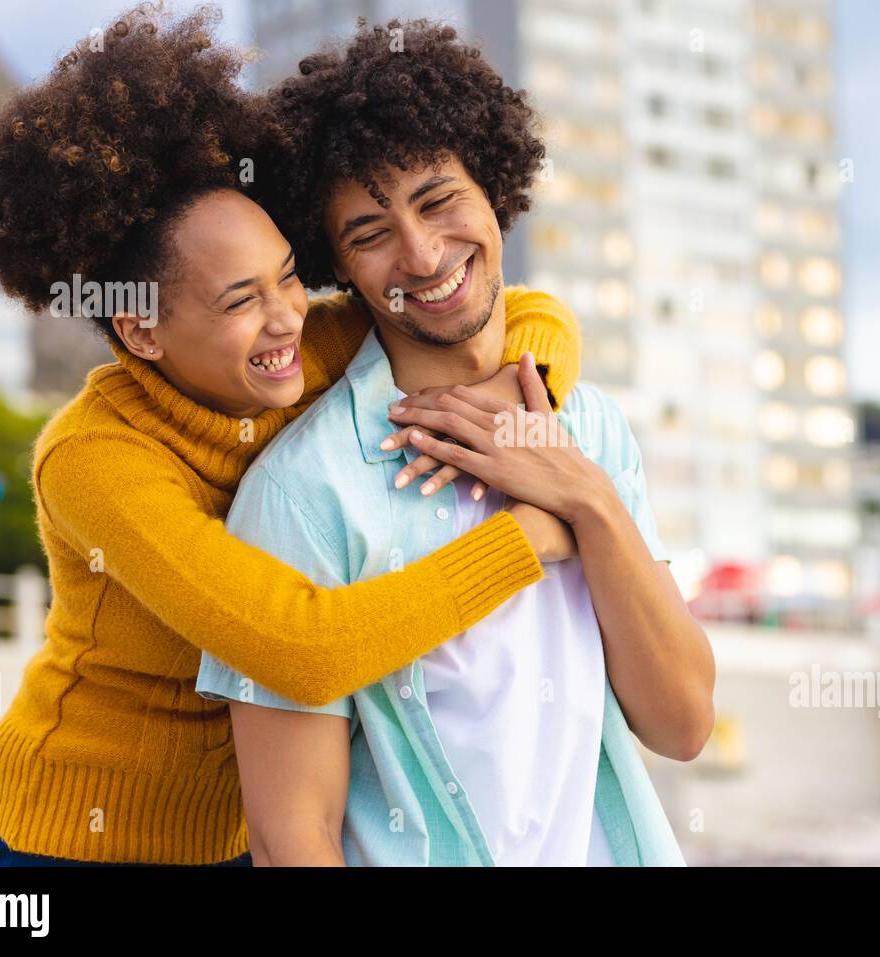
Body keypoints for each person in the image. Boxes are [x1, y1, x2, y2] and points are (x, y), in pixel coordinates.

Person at [0, 5, 582, 866]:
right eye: (240, 299)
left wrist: (525, 400)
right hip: (77, 838)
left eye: (289, 276)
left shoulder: (298, 349)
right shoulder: (96, 458)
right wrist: (529, 536)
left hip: (244, 831)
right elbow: (302, 647)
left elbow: (518, 313)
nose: (288, 316)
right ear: (141, 331)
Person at [197, 19, 716, 866]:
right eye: (369, 234)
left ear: (495, 187)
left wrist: (583, 496)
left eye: (439, 201)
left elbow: (683, 721)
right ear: (340, 269)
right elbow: (292, 836)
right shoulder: (303, 492)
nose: (423, 252)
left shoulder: (590, 428)